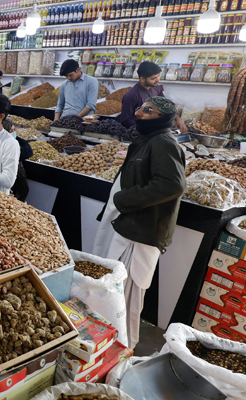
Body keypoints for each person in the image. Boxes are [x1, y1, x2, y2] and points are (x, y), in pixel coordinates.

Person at [92, 96, 186, 350]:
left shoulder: (164, 143)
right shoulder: (148, 139)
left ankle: (124, 349)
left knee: (127, 300)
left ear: (163, 118)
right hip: (129, 225)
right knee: (113, 294)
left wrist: (124, 200)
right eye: (141, 108)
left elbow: (172, 184)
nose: (139, 113)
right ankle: (106, 347)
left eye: (148, 110)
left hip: (142, 232)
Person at [118, 61, 188, 133]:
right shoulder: (132, 95)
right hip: (142, 133)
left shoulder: (157, 88)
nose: (157, 80)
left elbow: (166, 106)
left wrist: (178, 119)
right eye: (153, 78)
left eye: (158, 76)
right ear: (142, 79)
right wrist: (147, 128)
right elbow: (125, 120)